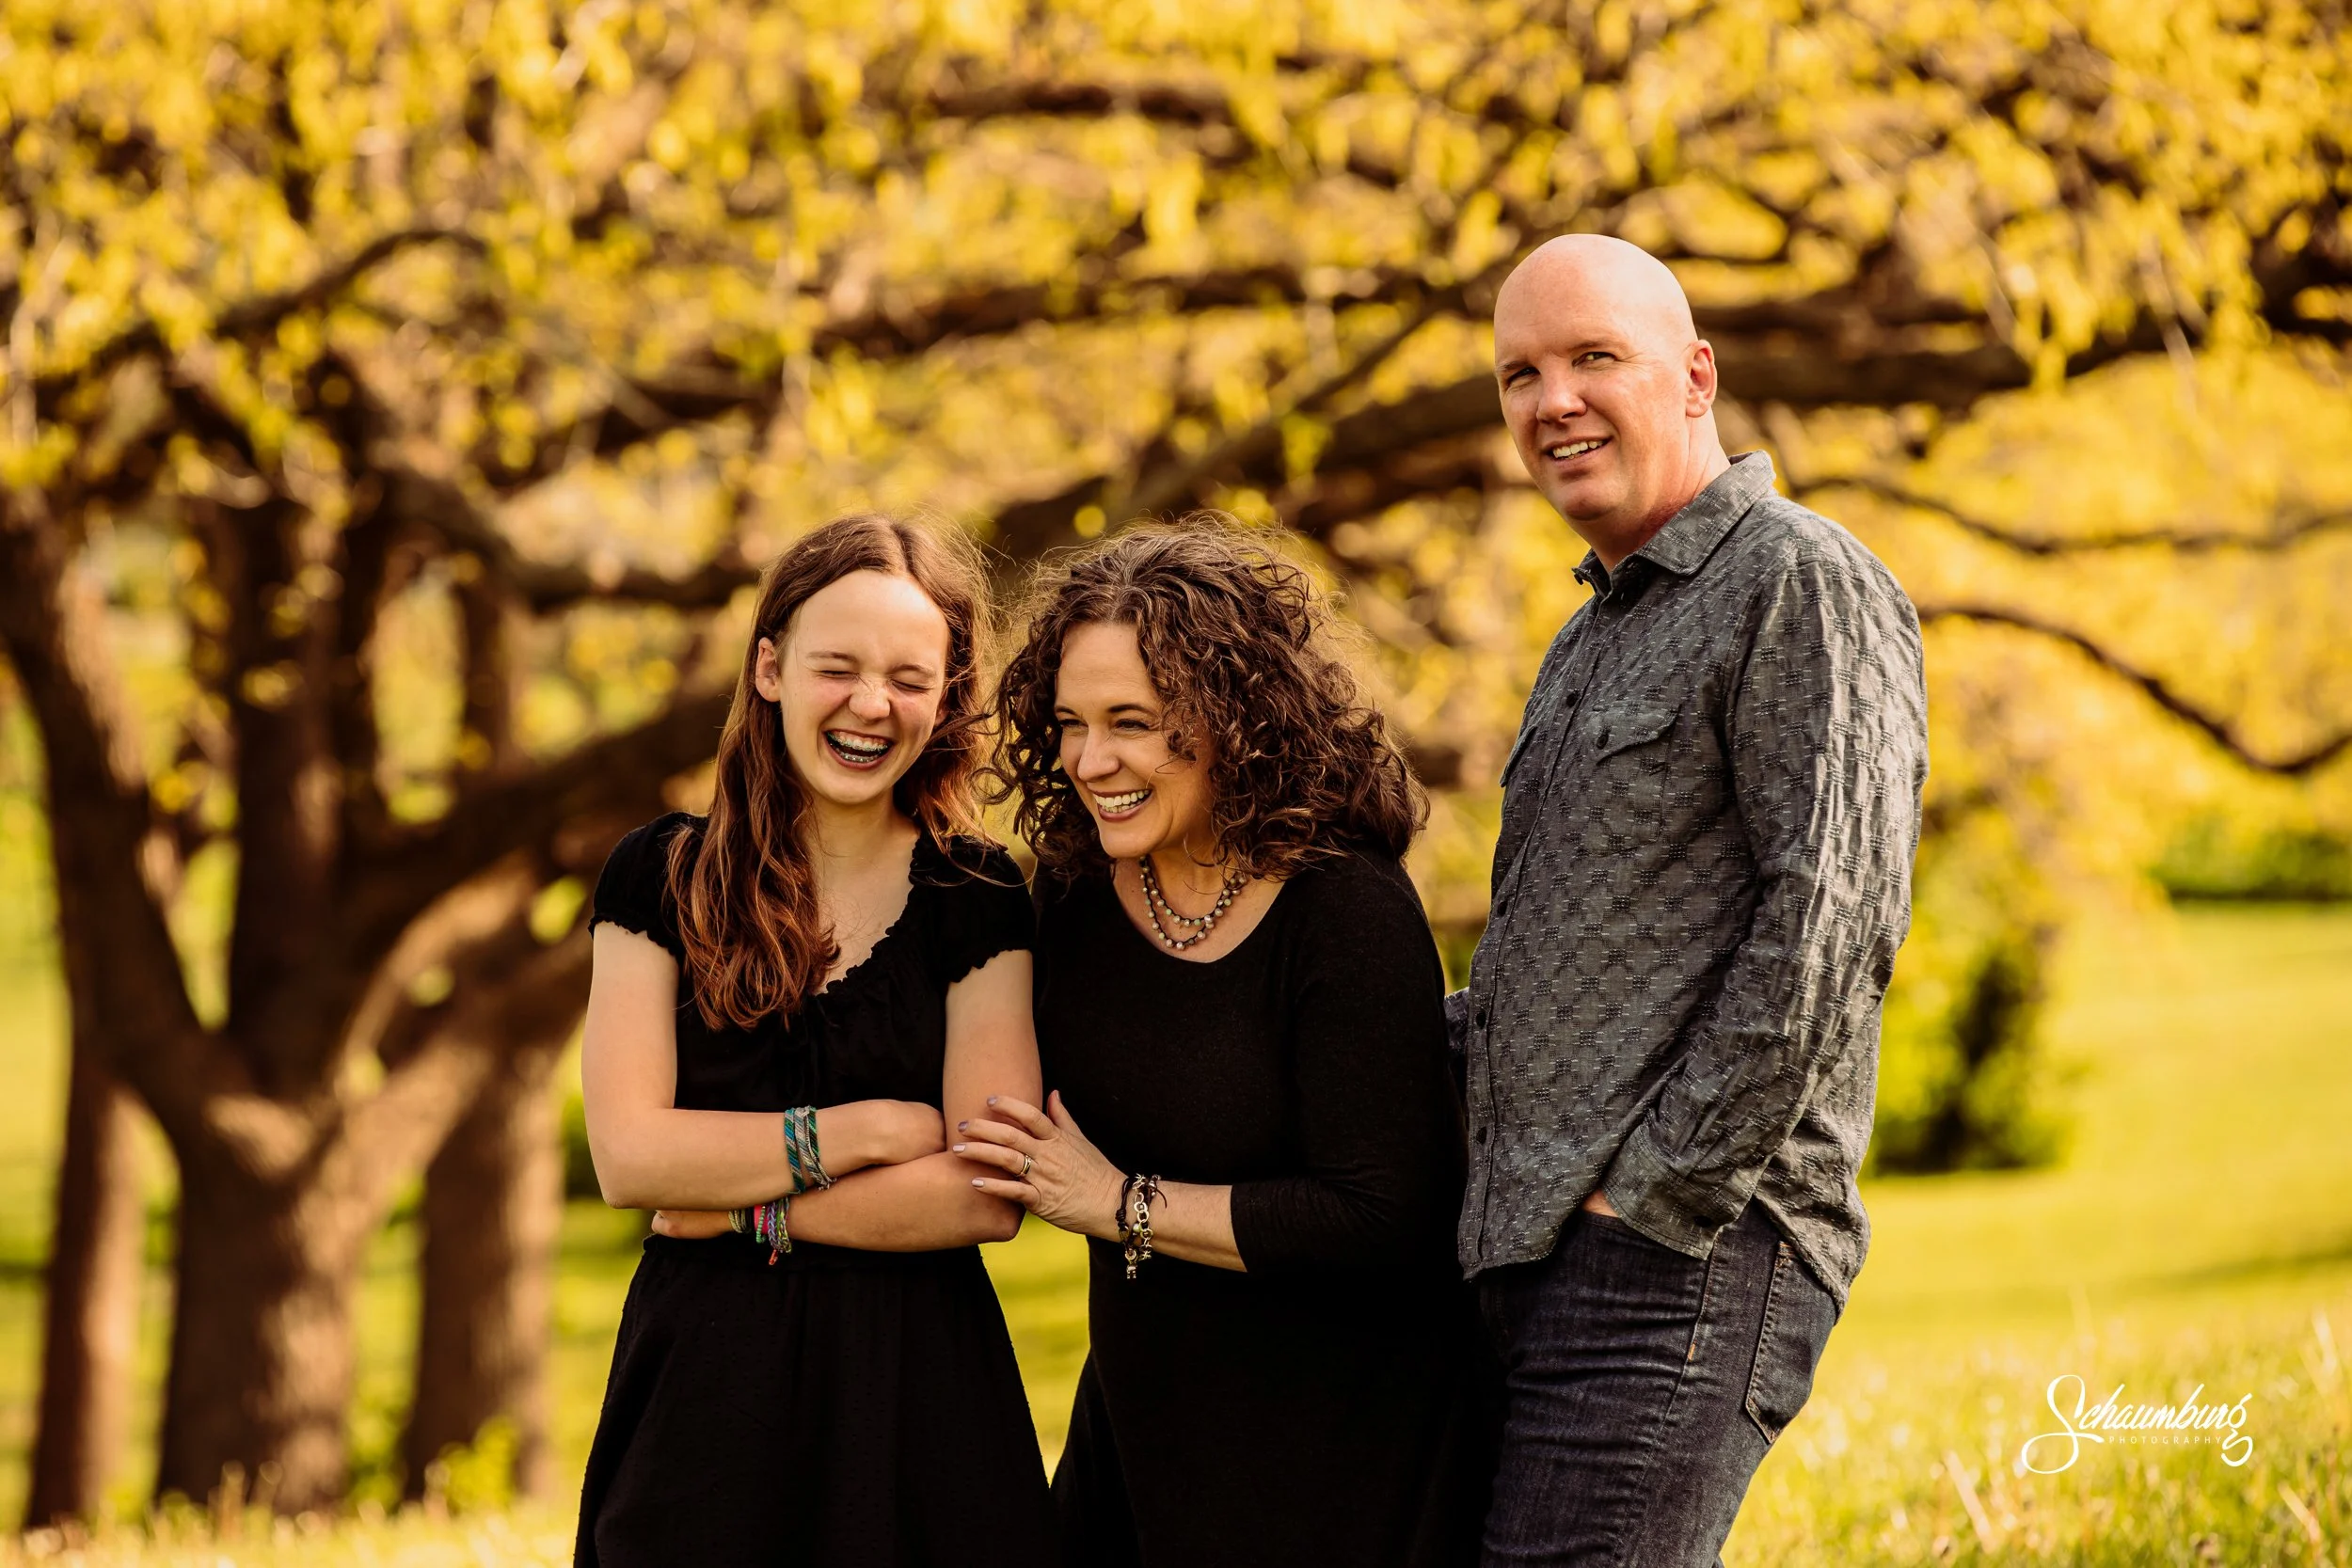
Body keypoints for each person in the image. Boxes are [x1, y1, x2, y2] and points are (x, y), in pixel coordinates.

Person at [1455, 233, 1930, 1564]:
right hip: (1543, 1257)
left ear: (1695, 376)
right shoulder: (1588, 634)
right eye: (1520, 374)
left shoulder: (1798, 577)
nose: (1553, 400)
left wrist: (1656, 1195)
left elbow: (1830, 918)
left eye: (1593, 358)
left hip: (1685, 1254)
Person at [957, 520, 1493, 1568]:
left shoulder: (1344, 906)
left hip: (1345, 1447)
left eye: (1133, 722)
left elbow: (1385, 1214)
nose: (1091, 761)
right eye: (1070, 722)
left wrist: (1118, 1203)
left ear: (1236, 719)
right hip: (1146, 1420)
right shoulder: (1071, 889)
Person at [572, 515, 1055, 1567]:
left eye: (909, 679)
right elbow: (632, 1156)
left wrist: (742, 1207)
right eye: (837, 667)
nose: (871, 705)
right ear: (769, 668)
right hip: (703, 1402)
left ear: (944, 698)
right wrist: (866, 1130)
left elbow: (985, 1190)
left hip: (920, 1401)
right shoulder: (657, 876)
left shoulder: (976, 891)